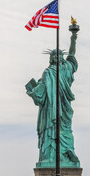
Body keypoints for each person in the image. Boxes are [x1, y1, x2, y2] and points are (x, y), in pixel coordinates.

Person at [26, 31, 80, 168]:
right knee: (51, 130)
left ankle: (67, 153)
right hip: (50, 108)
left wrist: (73, 36)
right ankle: (49, 156)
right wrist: (33, 92)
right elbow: (41, 91)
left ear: (62, 57)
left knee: (65, 129)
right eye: (54, 55)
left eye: (59, 55)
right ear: (51, 58)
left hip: (63, 106)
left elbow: (72, 55)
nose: (56, 57)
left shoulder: (66, 68)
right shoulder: (47, 72)